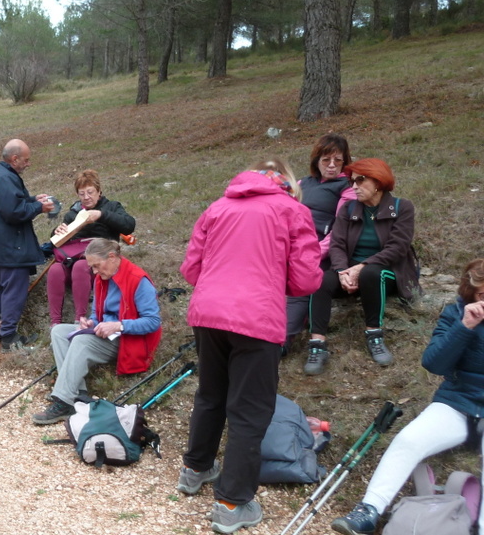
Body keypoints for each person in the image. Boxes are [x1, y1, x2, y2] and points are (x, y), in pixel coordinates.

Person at [177, 159, 322, 534]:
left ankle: (195, 469)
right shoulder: (293, 211)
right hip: (256, 319)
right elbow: (307, 280)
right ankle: (231, 503)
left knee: (211, 394)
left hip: (208, 313)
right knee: (250, 410)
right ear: (287, 184)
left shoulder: (218, 207)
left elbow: (191, 270)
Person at [330, 258, 484, 535]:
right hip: (457, 403)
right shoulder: (456, 314)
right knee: (408, 440)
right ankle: (370, 508)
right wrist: (464, 327)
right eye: (483, 294)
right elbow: (434, 364)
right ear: (471, 293)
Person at [304, 157, 419, 375]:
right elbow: (336, 244)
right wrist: (341, 271)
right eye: (352, 182)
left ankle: (374, 334)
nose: (354, 187)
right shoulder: (348, 209)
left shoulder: (401, 207)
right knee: (319, 279)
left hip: (388, 271)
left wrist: (361, 267)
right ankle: (317, 344)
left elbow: (397, 248)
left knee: (371, 274)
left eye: (360, 181)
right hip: (350, 270)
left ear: (378, 182)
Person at [32, 239, 162, 425]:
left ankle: (64, 401)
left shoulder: (137, 280)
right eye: (91, 267)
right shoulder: (103, 277)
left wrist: (119, 325)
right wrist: (91, 322)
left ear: (111, 257)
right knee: (59, 331)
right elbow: (98, 313)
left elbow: (153, 322)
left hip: (129, 342)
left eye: (96, 266)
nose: (94, 272)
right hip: (106, 335)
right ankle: (78, 393)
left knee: (81, 342)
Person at [0, 139, 55, 352]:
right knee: (13, 293)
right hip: (9, 249)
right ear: (14, 158)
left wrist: (32, 199)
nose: (28, 164)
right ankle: (8, 337)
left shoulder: (0, 175)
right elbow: (14, 213)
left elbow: (12, 202)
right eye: (26, 160)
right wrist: (39, 207)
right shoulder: (5, 178)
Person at [285, 134, 355, 359]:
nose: (332, 165)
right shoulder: (302, 184)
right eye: (326, 160)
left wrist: (313, 253)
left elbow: (340, 229)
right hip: (290, 244)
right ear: (316, 160)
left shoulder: (347, 188)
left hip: (318, 249)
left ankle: (281, 341)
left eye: (338, 160)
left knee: (299, 285)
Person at [46, 169, 136, 326]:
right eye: (82, 194)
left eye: (90, 192)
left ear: (99, 191)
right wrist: (57, 231)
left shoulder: (111, 207)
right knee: (55, 270)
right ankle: (55, 324)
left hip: (98, 261)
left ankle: (78, 320)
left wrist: (101, 215)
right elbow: (56, 242)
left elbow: (129, 225)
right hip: (74, 257)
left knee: (81, 266)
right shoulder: (73, 213)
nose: (86, 197)